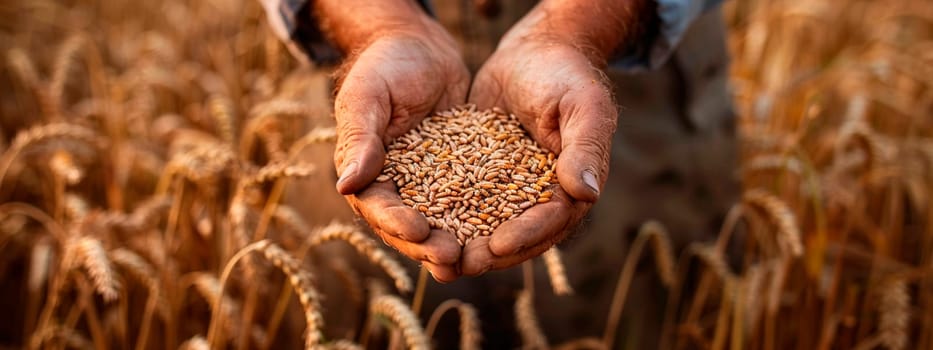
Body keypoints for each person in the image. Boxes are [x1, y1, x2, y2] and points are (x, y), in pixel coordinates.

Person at [262, 0, 738, 346]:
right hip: (367, 67)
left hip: (632, 61)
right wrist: (380, 23)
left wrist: (579, 25)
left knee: (636, 322)